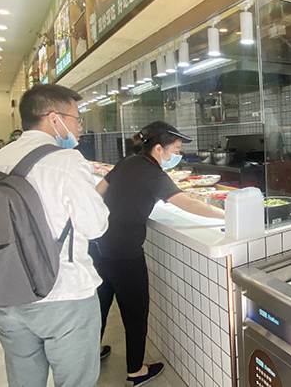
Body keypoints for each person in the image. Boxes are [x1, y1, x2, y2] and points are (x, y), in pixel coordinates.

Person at [0, 84, 109, 387]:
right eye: (76, 118)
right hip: (63, 293)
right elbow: (95, 227)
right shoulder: (67, 161)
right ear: (54, 118)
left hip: (7, 293)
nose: (80, 127)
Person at [91, 121, 224, 387]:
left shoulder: (127, 162)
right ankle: (135, 371)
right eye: (175, 150)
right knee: (135, 312)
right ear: (159, 149)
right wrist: (226, 214)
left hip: (99, 245)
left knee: (100, 305)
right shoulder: (154, 174)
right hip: (125, 252)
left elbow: (97, 193)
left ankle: (90, 356)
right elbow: (187, 204)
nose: (177, 155)